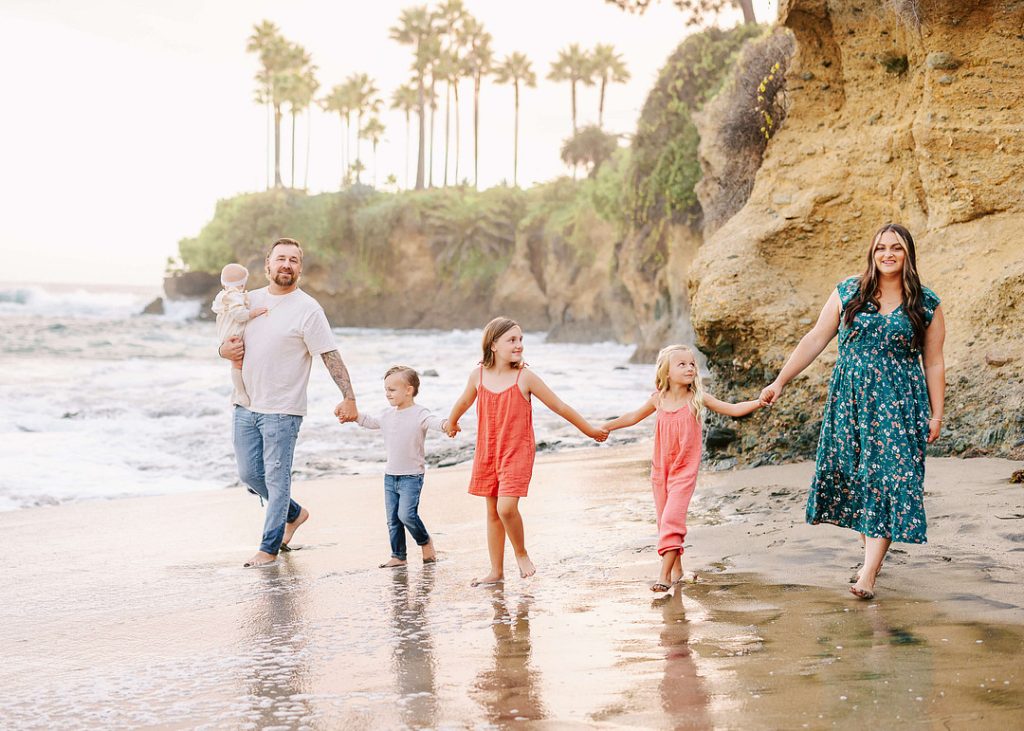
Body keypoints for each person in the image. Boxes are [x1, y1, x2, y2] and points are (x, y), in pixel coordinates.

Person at [759, 223, 945, 600]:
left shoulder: (926, 304)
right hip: (851, 402)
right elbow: (815, 338)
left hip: (900, 405)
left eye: (896, 248)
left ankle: (868, 574)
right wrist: (780, 381)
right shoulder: (849, 292)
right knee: (859, 481)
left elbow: (935, 362)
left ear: (908, 254)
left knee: (891, 480)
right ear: (872, 254)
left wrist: (936, 414)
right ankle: (871, 555)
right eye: (881, 248)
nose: (888, 254)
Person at [219, 237, 359, 568]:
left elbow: (329, 354)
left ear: (300, 268)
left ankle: (268, 548)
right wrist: (222, 350)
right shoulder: (248, 300)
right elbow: (225, 336)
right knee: (250, 474)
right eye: (280, 258)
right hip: (244, 404)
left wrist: (349, 397)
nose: (286, 265)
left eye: (293, 260)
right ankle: (294, 514)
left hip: (283, 410)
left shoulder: (308, 309)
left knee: (277, 479)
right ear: (267, 265)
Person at [445, 316, 608, 586]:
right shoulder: (478, 375)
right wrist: (451, 422)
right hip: (487, 451)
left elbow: (560, 406)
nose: (519, 344)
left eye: (520, 339)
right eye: (512, 340)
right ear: (493, 345)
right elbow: (463, 401)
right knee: (493, 512)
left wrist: (589, 430)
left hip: (516, 452)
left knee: (506, 508)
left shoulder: (525, 377)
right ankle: (496, 571)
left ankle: (521, 553)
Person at [602, 344, 762, 592]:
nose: (690, 368)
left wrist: (759, 402)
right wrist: (606, 427)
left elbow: (732, 409)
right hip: (660, 471)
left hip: (684, 472)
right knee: (663, 522)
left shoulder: (697, 398)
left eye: (692, 364)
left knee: (671, 520)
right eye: (682, 364)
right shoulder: (658, 399)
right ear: (666, 372)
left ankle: (664, 576)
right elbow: (632, 417)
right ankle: (678, 571)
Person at [351, 365, 450, 569]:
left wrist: (446, 425)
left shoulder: (419, 413)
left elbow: (433, 421)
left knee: (406, 515)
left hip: (412, 476)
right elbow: (370, 421)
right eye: (386, 390)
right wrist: (354, 415)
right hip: (390, 476)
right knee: (393, 520)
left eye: (392, 389)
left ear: (409, 390)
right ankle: (398, 556)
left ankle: (425, 542)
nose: (387, 393)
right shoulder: (387, 414)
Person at [211, 263, 267, 407]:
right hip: (233, 333)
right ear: (242, 284)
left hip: (226, 332)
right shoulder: (235, 296)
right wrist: (252, 313)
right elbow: (239, 314)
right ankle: (240, 392)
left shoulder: (223, 296)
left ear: (222, 282)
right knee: (237, 364)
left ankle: (240, 391)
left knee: (236, 363)